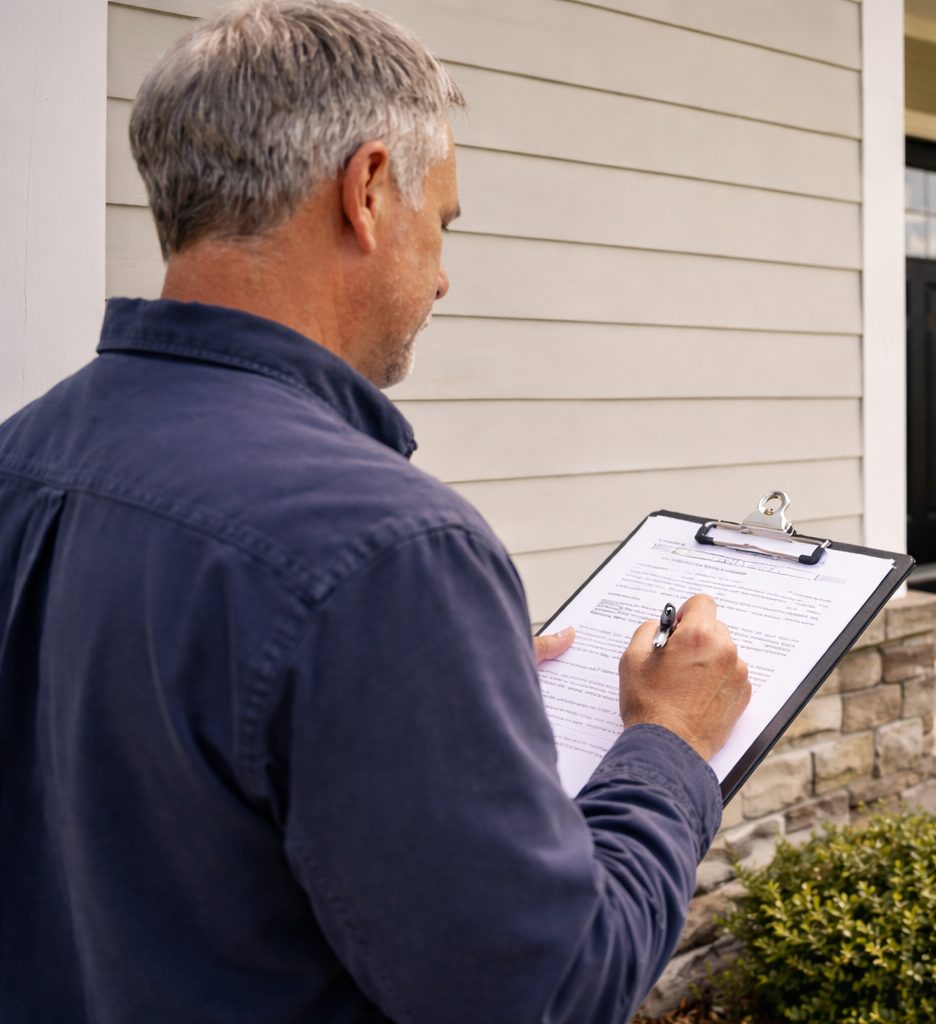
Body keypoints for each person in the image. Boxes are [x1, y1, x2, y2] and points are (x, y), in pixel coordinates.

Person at [0, 1, 751, 1021]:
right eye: (439, 223)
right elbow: (546, 990)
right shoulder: (387, 552)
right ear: (366, 190)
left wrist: (430, 684)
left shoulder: (22, 456)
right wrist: (668, 741)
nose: (442, 277)